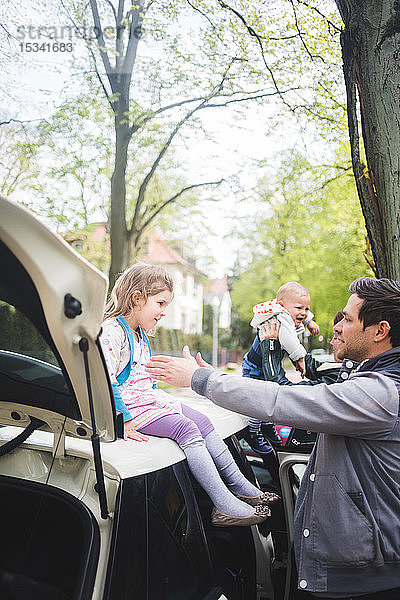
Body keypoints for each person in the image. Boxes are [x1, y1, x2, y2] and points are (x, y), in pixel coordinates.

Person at [146, 277, 400, 599]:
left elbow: (282, 401)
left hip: (360, 582)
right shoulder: (374, 382)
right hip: (353, 572)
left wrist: (200, 379)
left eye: (348, 319)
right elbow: (290, 392)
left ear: (380, 331)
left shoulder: (382, 394)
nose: (338, 326)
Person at [100, 263, 274, 528]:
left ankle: (242, 487)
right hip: (133, 410)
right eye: (159, 303)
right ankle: (223, 503)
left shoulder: (139, 335)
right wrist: (122, 419)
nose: (163, 313)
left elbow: (142, 378)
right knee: (186, 428)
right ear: (137, 298)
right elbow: (104, 377)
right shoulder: (113, 331)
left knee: (203, 421)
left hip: (148, 402)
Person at [243, 282, 320, 449]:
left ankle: (267, 425)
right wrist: (300, 358)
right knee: (257, 401)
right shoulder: (280, 317)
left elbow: (301, 311)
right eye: (300, 308)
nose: (303, 313)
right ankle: (253, 430)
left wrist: (309, 321)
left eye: (306, 309)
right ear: (282, 306)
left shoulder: (288, 311)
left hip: (268, 364)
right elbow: (290, 342)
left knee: (270, 397)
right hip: (254, 367)